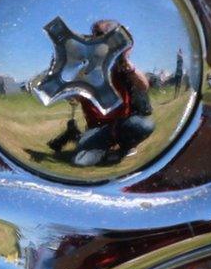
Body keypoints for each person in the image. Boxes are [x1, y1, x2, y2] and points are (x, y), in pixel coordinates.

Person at [45, 20, 155, 166]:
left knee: (144, 125)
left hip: (122, 123)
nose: (96, 38)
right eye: (94, 34)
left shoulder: (119, 64)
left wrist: (127, 63)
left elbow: (143, 86)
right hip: (97, 129)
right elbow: (75, 97)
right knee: (80, 161)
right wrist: (65, 75)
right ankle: (102, 145)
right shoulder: (83, 64)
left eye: (101, 34)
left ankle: (124, 147)